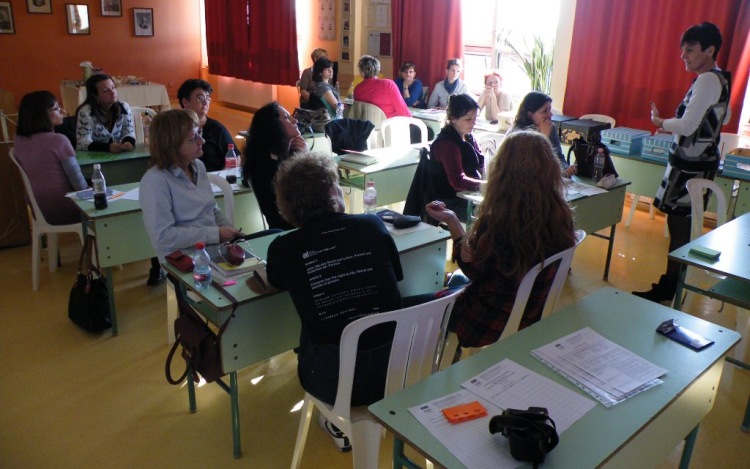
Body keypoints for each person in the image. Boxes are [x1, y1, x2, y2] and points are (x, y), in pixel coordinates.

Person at [258, 152, 403, 451]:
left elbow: (274, 284)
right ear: (333, 191)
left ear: (287, 205)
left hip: (333, 381)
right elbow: (396, 277)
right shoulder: (373, 226)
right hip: (398, 369)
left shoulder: (284, 248)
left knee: (310, 327)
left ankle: (331, 418)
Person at [425, 131, 576, 350]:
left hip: (487, 322)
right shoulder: (561, 215)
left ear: (502, 171)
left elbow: (471, 269)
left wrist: (452, 222)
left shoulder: (500, 222)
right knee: (456, 281)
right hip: (531, 315)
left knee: (408, 306)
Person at [633, 22, 731, 303]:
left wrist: (660, 121)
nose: (683, 56)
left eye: (690, 50)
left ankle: (671, 286)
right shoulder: (720, 79)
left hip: (690, 166)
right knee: (683, 226)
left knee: (679, 228)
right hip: (700, 162)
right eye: (683, 50)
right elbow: (723, 118)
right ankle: (674, 283)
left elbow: (687, 125)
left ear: (709, 50)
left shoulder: (707, 80)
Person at [140, 109, 241, 261]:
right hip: (184, 260)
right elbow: (163, 236)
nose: (202, 141)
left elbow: (212, 210)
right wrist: (216, 234)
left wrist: (232, 233)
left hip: (213, 249)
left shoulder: (198, 166)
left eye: (199, 133)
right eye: (193, 138)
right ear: (171, 146)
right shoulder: (155, 181)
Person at [14, 91, 87, 226]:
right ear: (43, 114)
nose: (62, 111)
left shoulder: (19, 140)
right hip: (66, 206)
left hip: (38, 207)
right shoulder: (58, 140)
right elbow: (79, 183)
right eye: (57, 108)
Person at [242, 102, 308, 230]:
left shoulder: (289, 156)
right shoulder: (265, 167)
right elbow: (302, 199)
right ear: (273, 127)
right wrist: (305, 160)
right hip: (290, 228)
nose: (295, 121)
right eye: (286, 117)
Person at [428, 94, 484, 222]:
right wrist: (487, 186)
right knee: (492, 218)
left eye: (475, 118)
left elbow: (481, 164)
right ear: (453, 119)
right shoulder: (447, 144)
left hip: (466, 195)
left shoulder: (469, 136)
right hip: (448, 202)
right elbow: (458, 181)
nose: (473, 122)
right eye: (468, 119)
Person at [177, 79, 237, 172]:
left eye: (208, 98)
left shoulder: (217, 128)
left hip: (214, 178)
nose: (205, 103)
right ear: (185, 102)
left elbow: (235, 156)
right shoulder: (175, 128)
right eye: (200, 98)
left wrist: (223, 175)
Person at [510, 91, 576, 177]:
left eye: (549, 109)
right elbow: (529, 166)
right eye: (545, 111)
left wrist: (565, 168)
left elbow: (558, 156)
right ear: (530, 115)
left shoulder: (551, 128)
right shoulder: (517, 135)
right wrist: (544, 138)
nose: (550, 114)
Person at [75, 74, 136, 152]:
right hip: (93, 156)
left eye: (113, 87)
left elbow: (129, 133)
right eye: (106, 90)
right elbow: (82, 142)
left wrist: (129, 142)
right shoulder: (86, 112)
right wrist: (107, 147)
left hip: (117, 155)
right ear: (95, 96)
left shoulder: (124, 107)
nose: (112, 92)